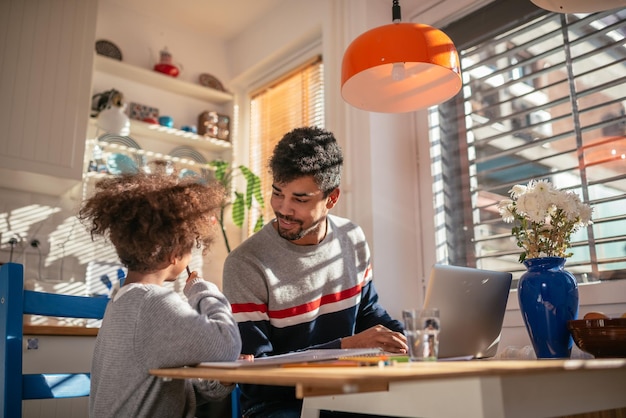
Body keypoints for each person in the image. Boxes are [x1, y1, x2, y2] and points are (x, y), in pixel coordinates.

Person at [223, 126, 407, 418]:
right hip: (279, 406)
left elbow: (368, 314)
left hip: (347, 393)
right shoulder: (246, 263)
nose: (283, 209)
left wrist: (405, 338)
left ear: (331, 199)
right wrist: (345, 347)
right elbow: (257, 376)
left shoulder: (352, 238)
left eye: (300, 199)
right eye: (277, 193)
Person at [79, 168, 242, 418]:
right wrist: (201, 289)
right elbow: (228, 345)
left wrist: (221, 381)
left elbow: (161, 389)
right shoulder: (154, 304)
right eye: (192, 245)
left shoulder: (123, 302)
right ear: (175, 254)